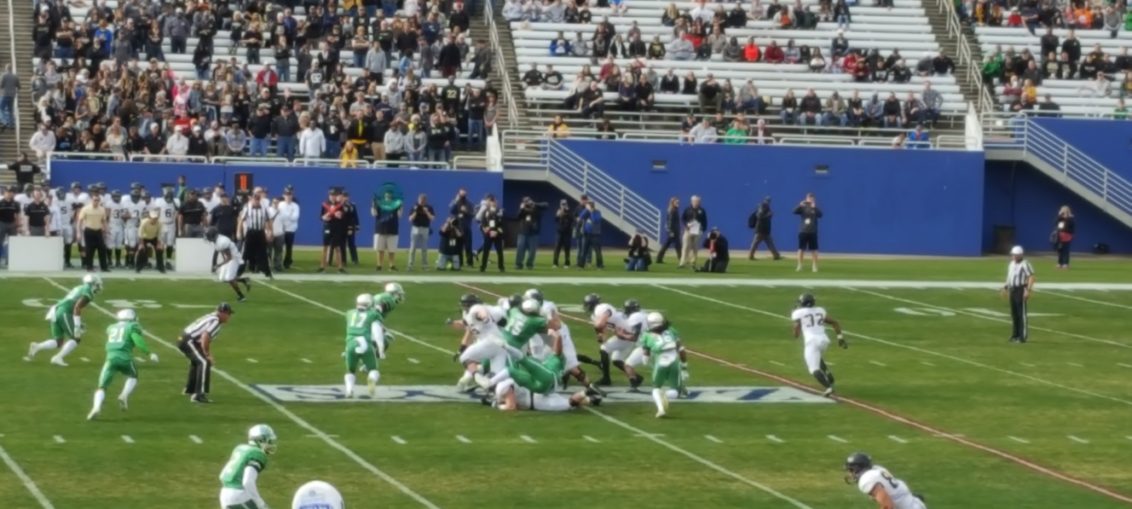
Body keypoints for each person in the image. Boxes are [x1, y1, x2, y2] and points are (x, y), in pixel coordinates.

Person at [86, 309, 159, 420]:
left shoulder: (111, 327)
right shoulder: (132, 326)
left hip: (110, 359)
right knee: (133, 376)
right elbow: (138, 341)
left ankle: (96, 407)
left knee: (101, 387)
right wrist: (149, 353)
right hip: (125, 358)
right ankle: (124, 395)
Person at [25, 274, 102, 366]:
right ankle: (58, 357)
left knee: (58, 341)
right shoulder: (88, 291)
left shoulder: (80, 287)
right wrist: (77, 325)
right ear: (92, 283)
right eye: (96, 284)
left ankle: (37, 346)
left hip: (56, 310)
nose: (98, 287)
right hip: (64, 312)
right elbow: (77, 307)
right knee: (76, 338)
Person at [791, 293, 847, 397]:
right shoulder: (820, 310)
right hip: (824, 340)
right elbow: (834, 322)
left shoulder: (798, 313)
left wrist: (796, 322)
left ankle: (828, 387)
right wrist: (840, 338)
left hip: (812, 341)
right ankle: (827, 374)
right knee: (816, 356)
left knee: (813, 369)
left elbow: (796, 334)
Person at [179, 303, 234, 403]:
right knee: (204, 362)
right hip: (189, 340)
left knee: (197, 362)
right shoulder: (215, 321)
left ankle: (190, 389)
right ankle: (198, 395)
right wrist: (207, 354)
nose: (229, 317)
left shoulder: (212, 317)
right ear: (222, 313)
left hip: (186, 338)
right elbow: (205, 336)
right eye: (228, 314)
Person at [639, 312, 687, 418]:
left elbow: (645, 355)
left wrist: (646, 360)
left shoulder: (646, 335)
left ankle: (661, 409)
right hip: (674, 361)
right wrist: (684, 366)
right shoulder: (672, 331)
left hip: (660, 362)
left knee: (656, 388)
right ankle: (665, 395)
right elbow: (681, 350)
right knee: (675, 391)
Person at [218, 424, 277, 509]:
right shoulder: (257, 454)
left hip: (225, 493)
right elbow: (248, 482)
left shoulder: (241, 448)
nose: (270, 444)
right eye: (269, 441)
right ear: (260, 440)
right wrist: (261, 504)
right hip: (239, 495)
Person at [844, 453, 927, 509]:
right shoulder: (877, 469)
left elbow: (887, 506)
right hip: (913, 503)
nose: (850, 473)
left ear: (858, 468)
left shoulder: (866, 479)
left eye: (851, 470)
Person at [343, 293, 384, 398]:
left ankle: (349, 390)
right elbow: (377, 333)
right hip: (366, 344)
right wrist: (381, 349)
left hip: (351, 344)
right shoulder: (373, 315)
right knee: (373, 369)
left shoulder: (349, 313)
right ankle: (371, 380)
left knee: (350, 370)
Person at [206, 227, 251, 302]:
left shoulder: (222, 242)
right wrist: (222, 264)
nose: (208, 238)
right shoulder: (218, 241)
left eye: (209, 236)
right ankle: (244, 280)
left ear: (213, 235)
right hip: (230, 259)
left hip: (235, 259)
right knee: (222, 279)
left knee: (229, 278)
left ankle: (241, 296)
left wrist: (218, 265)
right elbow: (223, 253)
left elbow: (229, 257)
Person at [238, 191, 274, 279]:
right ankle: (239, 272)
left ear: (259, 200)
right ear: (252, 199)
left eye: (258, 200)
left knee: (263, 253)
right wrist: (239, 232)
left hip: (260, 233)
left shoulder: (264, 208)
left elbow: (269, 220)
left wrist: (270, 232)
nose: (256, 201)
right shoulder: (247, 207)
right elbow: (241, 220)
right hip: (251, 232)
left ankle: (267, 272)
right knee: (246, 254)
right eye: (255, 199)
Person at [1003, 245, 1035, 343]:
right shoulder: (1011, 264)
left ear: (1021, 255)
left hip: (1021, 289)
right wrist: (1005, 287)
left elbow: (1031, 277)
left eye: (1016, 255)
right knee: (1014, 314)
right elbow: (1009, 277)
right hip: (1013, 289)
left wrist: (1027, 290)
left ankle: (1022, 336)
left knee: (1022, 314)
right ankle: (1015, 335)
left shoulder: (1025, 264)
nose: (1014, 257)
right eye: (1013, 255)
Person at [77, 193, 111, 272]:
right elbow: (80, 221)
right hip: (89, 231)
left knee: (102, 249)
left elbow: (104, 221)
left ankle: (104, 267)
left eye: (98, 200)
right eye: (95, 200)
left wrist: (107, 230)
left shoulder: (102, 209)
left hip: (98, 231)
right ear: (91, 200)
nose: (96, 201)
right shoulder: (85, 209)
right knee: (89, 250)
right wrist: (78, 232)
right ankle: (89, 267)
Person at [514, 196, 548, 270]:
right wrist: (521, 208)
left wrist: (534, 204)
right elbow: (518, 216)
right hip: (523, 232)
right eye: (526, 202)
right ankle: (518, 264)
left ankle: (530, 264)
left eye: (529, 201)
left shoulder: (536, 208)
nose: (528, 203)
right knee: (520, 249)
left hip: (533, 232)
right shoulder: (523, 210)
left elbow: (546, 205)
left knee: (532, 250)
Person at [372, 191, 402, 271]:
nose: (388, 195)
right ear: (384, 195)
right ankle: (379, 265)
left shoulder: (396, 204)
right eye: (387, 193)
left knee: (392, 250)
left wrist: (400, 206)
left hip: (392, 229)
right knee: (380, 249)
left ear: (392, 196)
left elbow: (400, 215)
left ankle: (391, 265)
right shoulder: (379, 204)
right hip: (380, 228)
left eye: (390, 194)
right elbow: (374, 214)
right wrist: (373, 205)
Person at [794, 193, 822, 272]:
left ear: (814, 199)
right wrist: (800, 205)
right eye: (809, 198)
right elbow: (794, 211)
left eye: (812, 198)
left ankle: (814, 266)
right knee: (801, 249)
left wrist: (814, 207)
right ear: (806, 199)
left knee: (814, 249)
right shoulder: (803, 207)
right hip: (803, 231)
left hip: (813, 231)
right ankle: (799, 265)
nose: (810, 200)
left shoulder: (814, 208)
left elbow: (820, 215)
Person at [407, 193, 434, 271]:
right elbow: (410, 219)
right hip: (415, 228)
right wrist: (416, 212)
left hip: (425, 228)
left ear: (425, 201)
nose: (422, 202)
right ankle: (410, 265)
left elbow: (432, 218)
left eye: (423, 200)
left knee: (424, 248)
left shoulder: (429, 207)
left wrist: (426, 212)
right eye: (421, 200)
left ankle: (425, 266)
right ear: (418, 200)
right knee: (413, 248)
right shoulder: (414, 207)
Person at [679, 195, 708, 268]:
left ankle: (693, 262)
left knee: (695, 247)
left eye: (698, 201)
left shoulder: (702, 210)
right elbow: (683, 218)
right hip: (688, 230)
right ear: (692, 201)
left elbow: (705, 221)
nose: (697, 202)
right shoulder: (687, 209)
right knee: (685, 246)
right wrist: (686, 225)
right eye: (695, 201)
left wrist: (702, 230)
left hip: (697, 231)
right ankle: (682, 262)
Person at [479, 198, 505, 273]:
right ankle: (483, 267)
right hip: (488, 233)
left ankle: (501, 267)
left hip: (497, 234)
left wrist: (496, 231)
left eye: (494, 202)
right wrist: (486, 229)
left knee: (499, 251)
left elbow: (502, 224)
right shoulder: (485, 211)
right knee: (486, 251)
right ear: (489, 203)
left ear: (496, 202)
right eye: (491, 202)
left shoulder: (500, 211)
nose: (493, 203)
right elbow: (483, 222)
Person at [277, 186, 301, 270]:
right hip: (281, 229)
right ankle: (278, 263)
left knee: (289, 247)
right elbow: (280, 217)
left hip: (291, 229)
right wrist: (289, 215)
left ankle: (287, 263)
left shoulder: (295, 206)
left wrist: (286, 216)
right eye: (287, 194)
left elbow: (295, 217)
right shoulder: (280, 204)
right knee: (279, 247)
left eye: (290, 194)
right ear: (284, 195)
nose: (288, 196)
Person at [577, 200, 604, 269]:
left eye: (588, 206)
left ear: (591, 206)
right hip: (586, 234)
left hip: (595, 234)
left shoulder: (597, 212)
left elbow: (595, 220)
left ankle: (599, 265)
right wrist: (586, 210)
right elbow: (580, 217)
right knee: (584, 250)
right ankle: (581, 265)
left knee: (597, 250)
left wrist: (591, 211)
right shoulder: (586, 212)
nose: (586, 207)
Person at [656, 197, 681, 264]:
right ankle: (681, 260)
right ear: (673, 203)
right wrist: (671, 232)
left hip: (674, 231)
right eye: (676, 202)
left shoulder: (674, 210)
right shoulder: (673, 211)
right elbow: (670, 222)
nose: (678, 203)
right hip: (673, 232)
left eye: (678, 202)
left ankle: (658, 259)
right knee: (677, 246)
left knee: (667, 245)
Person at [551, 199, 575, 268]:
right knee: (557, 248)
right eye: (562, 204)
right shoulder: (559, 211)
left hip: (567, 233)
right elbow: (555, 220)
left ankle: (567, 263)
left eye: (564, 204)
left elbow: (572, 219)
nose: (563, 205)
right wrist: (559, 214)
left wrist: (567, 212)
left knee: (567, 248)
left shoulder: (569, 211)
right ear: (560, 204)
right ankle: (555, 263)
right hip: (559, 232)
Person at [0, 186, 20, 266]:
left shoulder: (15, 203)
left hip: (12, 224)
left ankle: (10, 260)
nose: (9, 194)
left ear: (12, 193)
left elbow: (18, 215)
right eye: (7, 192)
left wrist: (17, 225)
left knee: (12, 243)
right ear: (4, 193)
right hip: (2, 224)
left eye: (10, 192)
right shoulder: (1, 203)